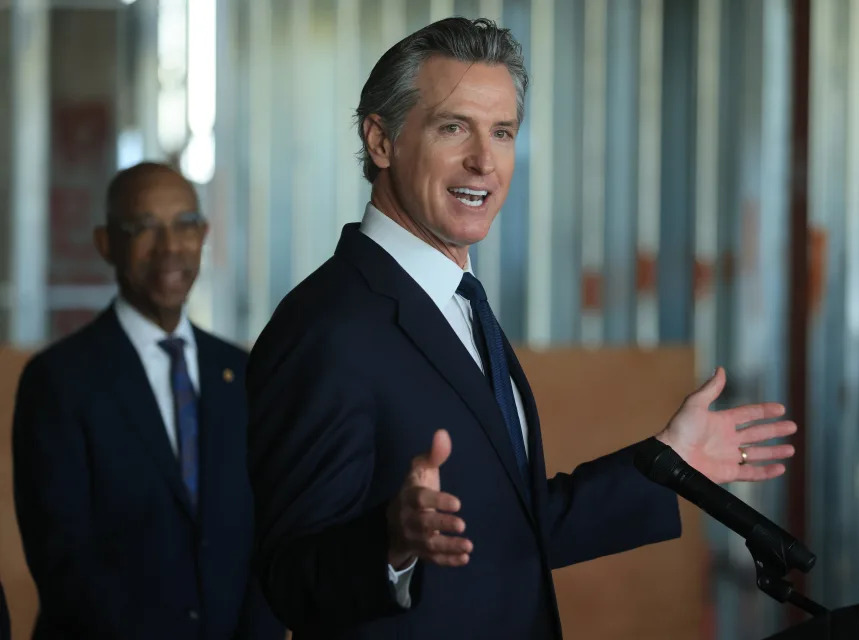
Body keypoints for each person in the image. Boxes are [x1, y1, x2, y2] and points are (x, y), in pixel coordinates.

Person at [246, 18, 796, 639]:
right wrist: (390, 545)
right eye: (453, 127)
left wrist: (667, 463)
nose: (484, 161)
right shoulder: (325, 329)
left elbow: (513, 524)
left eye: (502, 132)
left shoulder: (459, 301)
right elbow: (289, 581)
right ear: (381, 140)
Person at [12, 163, 285, 640]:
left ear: (203, 234)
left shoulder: (240, 373)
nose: (169, 247)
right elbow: (63, 565)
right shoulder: (59, 381)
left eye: (184, 225)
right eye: (144, 229)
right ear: (105, 244)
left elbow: (263, 546)